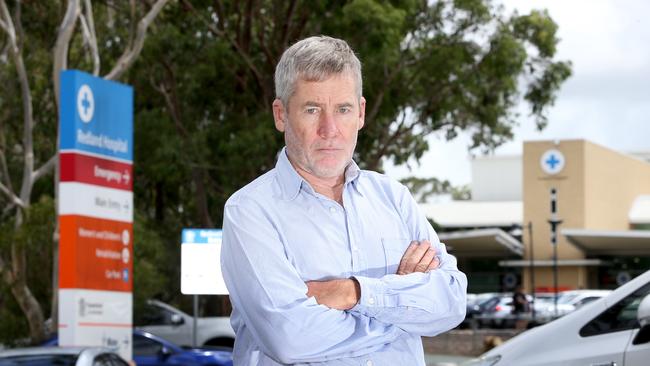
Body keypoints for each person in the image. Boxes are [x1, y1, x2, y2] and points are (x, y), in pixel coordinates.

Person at [221, 36, 467, 365]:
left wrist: (353, 292)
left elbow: (451, 302)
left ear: (361, 113)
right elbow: (289, 338)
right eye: (312, 110)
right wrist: (403, 314)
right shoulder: (249, 212)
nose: (330, 129)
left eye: (343, 109)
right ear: (281, 115)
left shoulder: (393, 198)